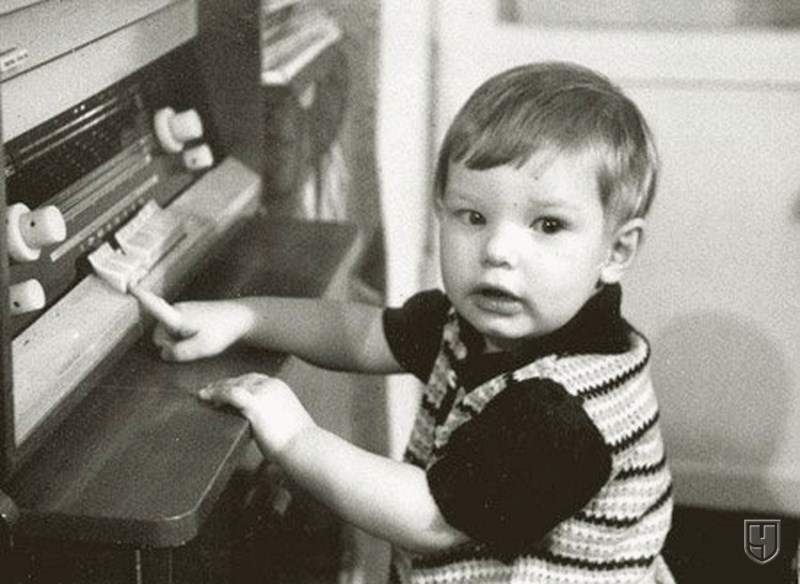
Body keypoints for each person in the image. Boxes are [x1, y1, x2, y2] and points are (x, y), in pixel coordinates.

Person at [153, 61, 674, 584]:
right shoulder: (474, 323)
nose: (497, 250)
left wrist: (294, 438)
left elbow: (429, 518)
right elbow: (362, 335)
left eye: (548, 225)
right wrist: (244, 317)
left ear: (616, 251)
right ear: (442, 211)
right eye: (474, 216)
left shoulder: (562, 413)